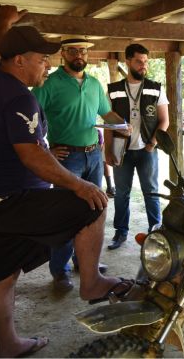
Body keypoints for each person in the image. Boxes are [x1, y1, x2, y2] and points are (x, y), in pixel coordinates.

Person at [0, 5, 133, 357]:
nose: (47, 64)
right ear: (20, 60)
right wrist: (79, 184)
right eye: (42, 58)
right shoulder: (19, 96)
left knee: (3, 274)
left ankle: (7, 345)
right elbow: (31, 155)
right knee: (94, 202)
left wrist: (5, 24)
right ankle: (91, 282)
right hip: (14, 200)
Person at [32, 34, 129, 292]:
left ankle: (84, 264)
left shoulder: (95, 84)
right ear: (62, 54)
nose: (79, 56)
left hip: (93, 155)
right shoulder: (49, 84)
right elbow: (30, 119)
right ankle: (59, 271)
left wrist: (122, 126)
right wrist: (46, 149)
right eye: (73, 51)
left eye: (83, 52)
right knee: (65, 215)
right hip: (66, 158)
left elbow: (106, 113)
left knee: (91, 211)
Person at [105, 43, 169, 250]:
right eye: (139, 62)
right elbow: (108, 122)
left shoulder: (156, 87)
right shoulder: (113, 90)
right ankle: (120, 232)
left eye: (146, 62)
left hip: (146, 150)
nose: (143, 66)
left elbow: (164, 121)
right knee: (122, 193)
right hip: (120, 150)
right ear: (128, 61)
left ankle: (156, 232)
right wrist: (107, 150)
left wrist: (151, 144)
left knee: (151, 191)